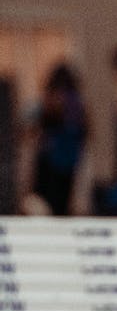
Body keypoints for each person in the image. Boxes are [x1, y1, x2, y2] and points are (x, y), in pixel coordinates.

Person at [21, 63, 89, 215]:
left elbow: (29, 123)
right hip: (69, 160)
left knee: (44, 202)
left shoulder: (51, 99)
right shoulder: (78, 104)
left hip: (52, 159)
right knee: (60, 205)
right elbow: (87, 132)